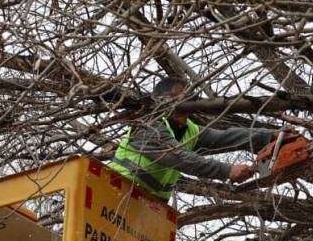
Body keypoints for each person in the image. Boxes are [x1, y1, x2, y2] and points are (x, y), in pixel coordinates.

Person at [107, 76, 290, 202]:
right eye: (181, 99)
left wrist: (269, 135)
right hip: (115, 190)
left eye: (190, 99)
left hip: (149, 206)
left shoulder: (189, 131)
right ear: (162, 101)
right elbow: (178, 157)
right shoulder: (147, 126)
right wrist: (227, 170)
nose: (188, 104)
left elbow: (225, 137)